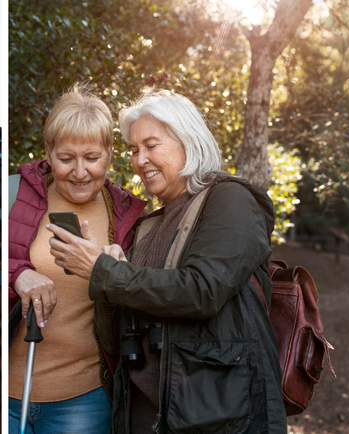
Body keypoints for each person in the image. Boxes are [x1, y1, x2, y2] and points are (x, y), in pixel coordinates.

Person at [46, 90, 287, 433]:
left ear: (187, 140)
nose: (140, 159)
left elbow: (201, 291)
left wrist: (105, 271)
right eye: (133, 150)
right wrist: (106, 273)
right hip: (145, 418)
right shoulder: (147, 225)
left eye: (151, 145)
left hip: (218, 419)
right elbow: (114, 340)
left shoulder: (230, 199)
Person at [8, 85, 147, 433]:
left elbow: (145, 301)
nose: (80, 172)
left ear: (110, 153)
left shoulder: (129, 217)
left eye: (92, 158)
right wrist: (17, 275)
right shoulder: (11, 194)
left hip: (83, 402)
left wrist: (117, 273)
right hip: (3, 393)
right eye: (67, 159)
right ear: (48, 153)